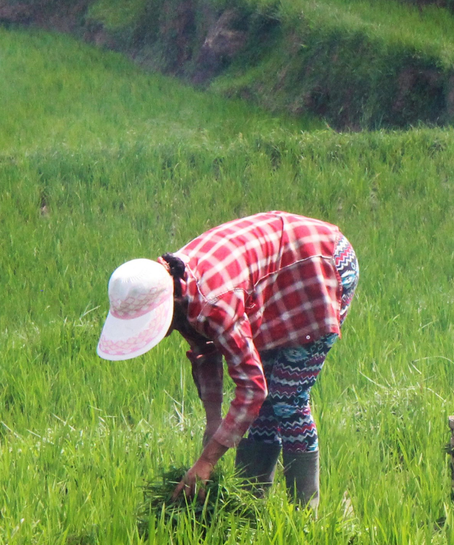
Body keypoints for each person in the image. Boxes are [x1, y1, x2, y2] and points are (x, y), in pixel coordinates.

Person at [95, 211, 358, 506]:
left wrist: (207, 462)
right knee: (263, 406)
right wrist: (213, 420)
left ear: (170, 304)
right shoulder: (175, 287)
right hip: (273, 277)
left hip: (320, 264)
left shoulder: (213, 302)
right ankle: (249, 507)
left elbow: (252, 389)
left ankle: (306, 515)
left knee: (286, 398)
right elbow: (205, 350)